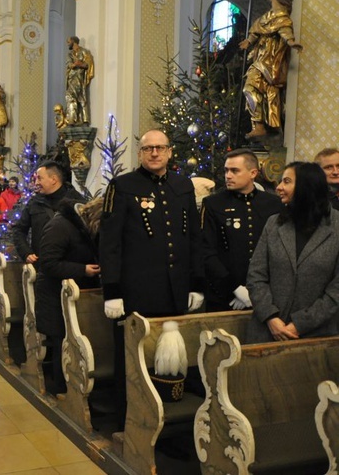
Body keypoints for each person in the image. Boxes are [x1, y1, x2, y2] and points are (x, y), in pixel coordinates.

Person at [100, 129, 204, 428]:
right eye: (148, 149)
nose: (154, 153)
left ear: (170, 152)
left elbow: (193, 239)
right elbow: (110, 243)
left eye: (160, 148)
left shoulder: (183, 185)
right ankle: (127, 422)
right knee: (131, 361)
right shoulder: (122, 186)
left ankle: (165, 421)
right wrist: (112, 291)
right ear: (140, 153)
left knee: (170, 357)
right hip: (136, 292)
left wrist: (196, 284)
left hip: (175, 292)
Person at [246, 162, 339, 343]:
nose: (279, 187)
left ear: (307, 186)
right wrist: (271, 318)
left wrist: (300, 324)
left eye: (286, 181)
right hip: (266, 332)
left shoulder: (336, 227)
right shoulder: (274, 223)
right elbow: (255, 275)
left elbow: (337, 290)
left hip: (317, 337)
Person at [201, 149, 283, 311]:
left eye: (235, 171)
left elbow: (278, 251)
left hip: (266, 294)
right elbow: (207, 252)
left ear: (253, 173)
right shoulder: (213, 203)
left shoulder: (273, 204)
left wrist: (253, 292)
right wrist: (235, 289)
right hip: (223, 295)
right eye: (226, 170)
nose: (228, 175)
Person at [36, 197, 102, 395]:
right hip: (55, 296)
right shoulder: (60, 227)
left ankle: (76, 389)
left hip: (75, 295)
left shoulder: (78, 226)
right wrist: (83, 270)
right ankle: (62, 391)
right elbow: (48, 263)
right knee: (62, 343)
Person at [239, 0, 302, 140]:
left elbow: (286, 32)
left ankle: (260, 125)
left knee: (253, 89)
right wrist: (248, 41)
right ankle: (258, 124)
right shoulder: (268, 16)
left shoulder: (282, 19)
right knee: (250, 89)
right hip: (259, 60)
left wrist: (292, 42)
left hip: (270, 62)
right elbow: (256, 31)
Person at [12, 161, 83, 265]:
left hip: (71, 266)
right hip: (42, 266)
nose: (36, 183)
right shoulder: (34, 202)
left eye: (39, 178)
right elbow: (19, 230)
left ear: (53, 179)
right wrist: (26, 252)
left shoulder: (76, 202)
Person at [65, 36, 94, 126]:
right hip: (71, 78)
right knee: (72, 97)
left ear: (73, 42)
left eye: (68, 41)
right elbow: (69, 64)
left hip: (80, 77)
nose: (67, 43)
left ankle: (80, 119)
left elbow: (88, 64)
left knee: (77, 96)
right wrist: (74, 64)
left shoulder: (84, 52)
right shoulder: (70, 54)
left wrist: (80, 64)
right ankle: (74, 119)